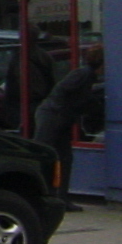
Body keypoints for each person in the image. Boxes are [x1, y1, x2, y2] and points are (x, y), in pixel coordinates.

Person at [32, 44, 105, 209]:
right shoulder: (83, 75)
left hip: (60, 118)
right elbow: (63, 92)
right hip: (53, 116)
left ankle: (60, 198)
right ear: (101, 64)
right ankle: (40, 195)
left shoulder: (87, 76)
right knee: (44, 155)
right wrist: (88, 105)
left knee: (64, 157)